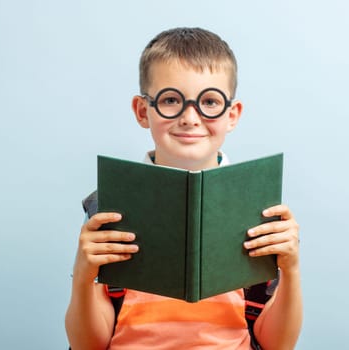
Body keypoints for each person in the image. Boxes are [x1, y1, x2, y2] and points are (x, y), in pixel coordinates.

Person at [65, 27, 302, 350]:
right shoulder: (109, 205)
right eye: (171, 100)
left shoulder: (257, 205)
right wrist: (82, 275)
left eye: (209, 102)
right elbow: (87, 345)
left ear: (232, 115)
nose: (191, 118)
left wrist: (291, 270)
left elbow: (278, 344)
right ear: (142, 111)